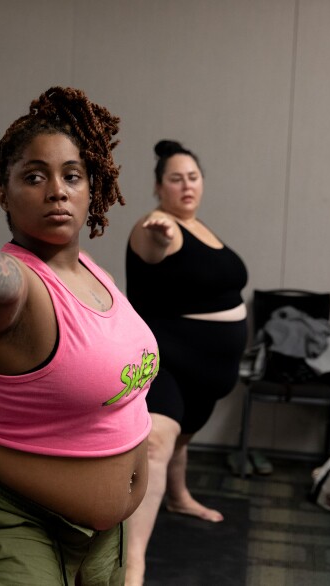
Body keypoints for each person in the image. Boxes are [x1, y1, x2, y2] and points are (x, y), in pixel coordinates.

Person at [0, 87, 157, 585]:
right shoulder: (19, 282)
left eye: (72, 176)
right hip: (4, 511)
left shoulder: (90, 271)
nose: (56, 190)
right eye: (34, 177)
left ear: (92, 187)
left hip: (102, 530)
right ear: (4, 193)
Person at [123, 139, 248, 584]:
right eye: (175, 179)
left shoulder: (201, 228)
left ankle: (178, 497)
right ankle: (133, 563)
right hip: (169, 358)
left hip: (210, 369)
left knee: (181, 439)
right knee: (158, 441)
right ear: (159, 188)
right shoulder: (156, 225)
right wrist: (159, 235)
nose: (186, 185)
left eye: (193, 177)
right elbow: (152, 249)